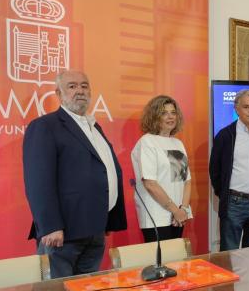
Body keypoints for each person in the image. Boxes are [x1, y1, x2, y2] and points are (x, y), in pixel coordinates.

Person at [23, 70, 127, 278]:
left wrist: (106, 219)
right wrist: (50, 226)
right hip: (64, 234)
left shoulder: (94, 127)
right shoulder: (45, 126)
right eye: (72, 86)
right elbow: (38, 182)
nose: (79, 91)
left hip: (95, 229)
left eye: (84, 85)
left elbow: (104, 170)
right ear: (59, 94)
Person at [210, 89, 249, 251]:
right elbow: (214, 169)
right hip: (234, 204)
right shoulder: (225, 135)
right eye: (246, 106)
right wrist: (224, 193)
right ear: (236, 109)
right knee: (229, 255)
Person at [131, 95, 192, 243]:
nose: (170, 117)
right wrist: (175, 210)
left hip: (178, 216)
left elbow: (186, 181)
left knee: (175, 262)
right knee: (160, 264)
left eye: (173, 112)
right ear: (154, 116)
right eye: (164, 113)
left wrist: (183, 209)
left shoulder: (177, 143)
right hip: (156, 217)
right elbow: (150, 184)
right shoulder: (147, 142)